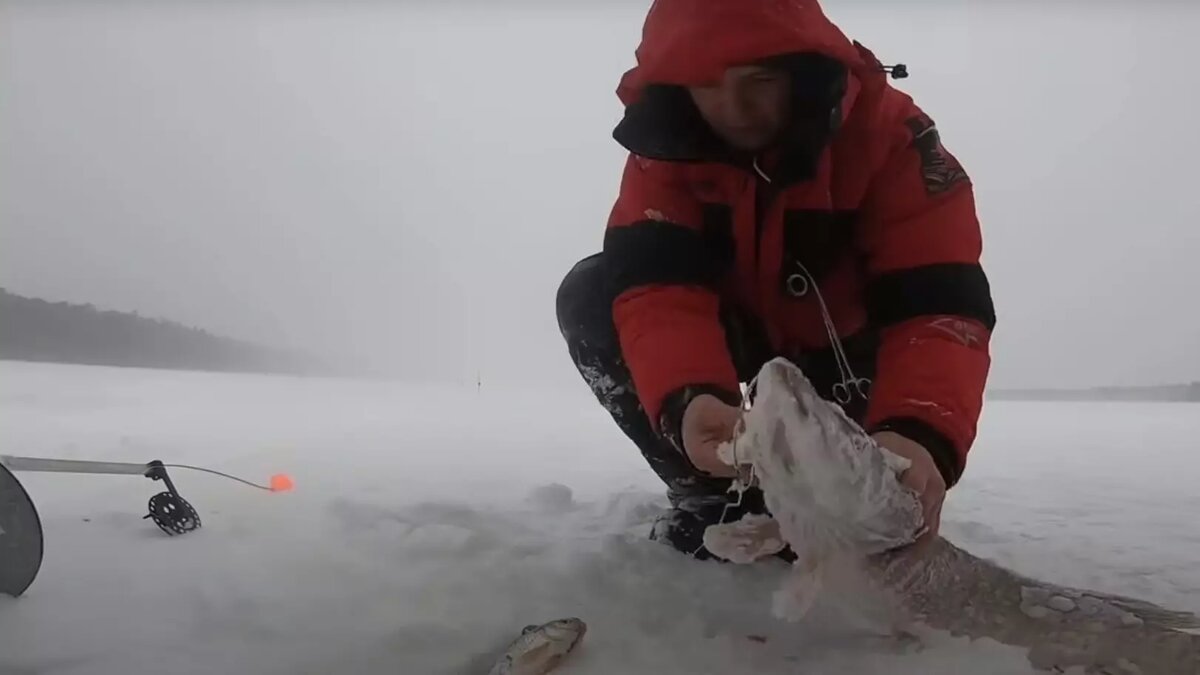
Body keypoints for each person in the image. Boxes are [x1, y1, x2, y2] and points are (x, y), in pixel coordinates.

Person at [555, 0, 995, 561]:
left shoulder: (895, 141)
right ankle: (715, 499)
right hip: (739, 337)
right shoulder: (662, 154)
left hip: (854, 361)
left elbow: (939, 308)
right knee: (593, 293)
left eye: (758, 80)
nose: (733, 109)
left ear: (802, 67)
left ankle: (859, 491)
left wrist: (919, 431)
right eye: (705, 84)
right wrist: (691, 397)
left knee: (868, 513)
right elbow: (658, 291)